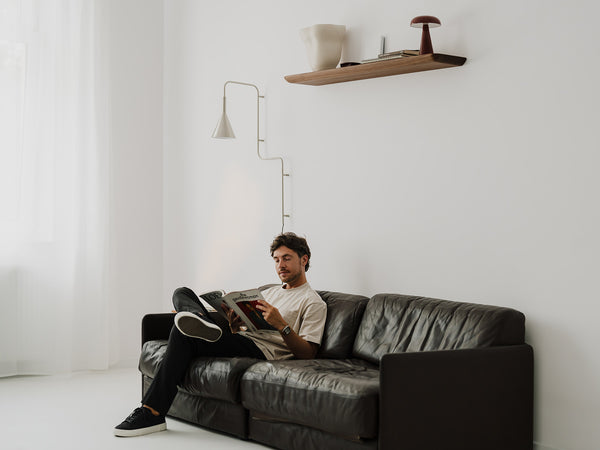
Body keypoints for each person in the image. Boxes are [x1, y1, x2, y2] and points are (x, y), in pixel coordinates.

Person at [114, 232, 327, 437]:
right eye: (276, 259)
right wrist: (234, 325)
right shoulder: (270, 292)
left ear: (304, 259)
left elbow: (308, 353)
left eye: (287, 258)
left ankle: (151, 412)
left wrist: (282, 325)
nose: (280, 265)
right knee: (182, 292)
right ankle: (199, 320)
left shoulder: (313, 301)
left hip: (263, 350)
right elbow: (248, 329)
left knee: (181, 332)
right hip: (243, 339)